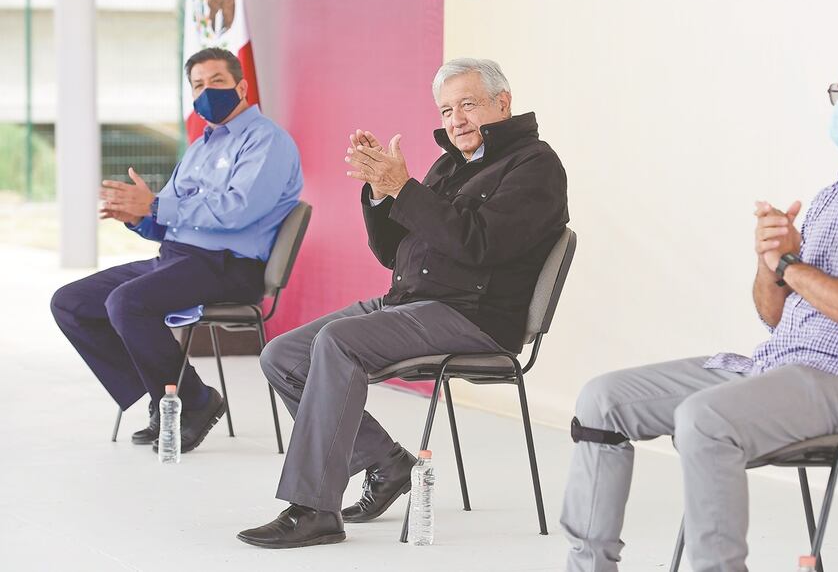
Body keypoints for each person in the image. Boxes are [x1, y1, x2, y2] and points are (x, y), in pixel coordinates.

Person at [561, 35, 838, 572]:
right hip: (779, 368)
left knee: (704, 418)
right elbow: (775, 316)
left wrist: (793, 267)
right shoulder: (836, 193)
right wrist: (770, 260)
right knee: (601, 400)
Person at [237, 58, 569, 548]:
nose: (455, 119)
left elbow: (480, 245)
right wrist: (380, 192)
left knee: (338, 342)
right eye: (446, 109)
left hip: (472, 317)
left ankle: (313, 508)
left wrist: (405, 189)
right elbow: (393, 251)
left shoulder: (536, 167)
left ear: (504, 102)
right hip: (411, 303)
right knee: (283, 356)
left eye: (468, 105)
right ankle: (387, 464)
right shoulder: (450, 164)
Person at [50, 47, 303, 454]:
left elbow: (239, 210)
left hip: (231, 267)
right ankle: (165, 397)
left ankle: (194, 402)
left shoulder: (266, 140)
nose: (207, 92)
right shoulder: (200, 147)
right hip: (178, 259)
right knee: (71, 302)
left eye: (216, 82)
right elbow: (168, 220)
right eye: (198, 85)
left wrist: (155, 205)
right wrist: (137, 216)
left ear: (241, 86)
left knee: (127, 303)